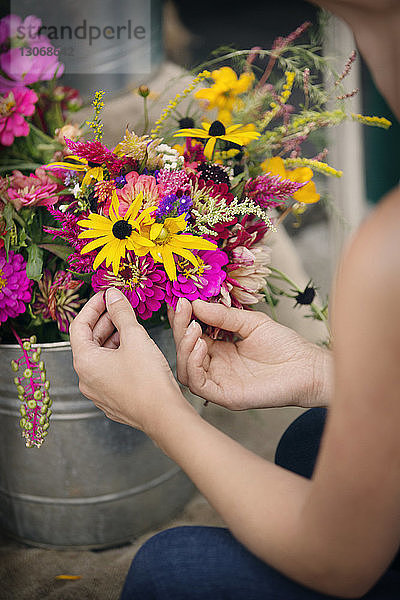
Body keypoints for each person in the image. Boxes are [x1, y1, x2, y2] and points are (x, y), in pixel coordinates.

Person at [70, 0, 400, 597]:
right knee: (312, 437)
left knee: (169, 570)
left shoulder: (388, 255)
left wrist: (160, 413)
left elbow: (340, 562)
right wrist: (322, 373)